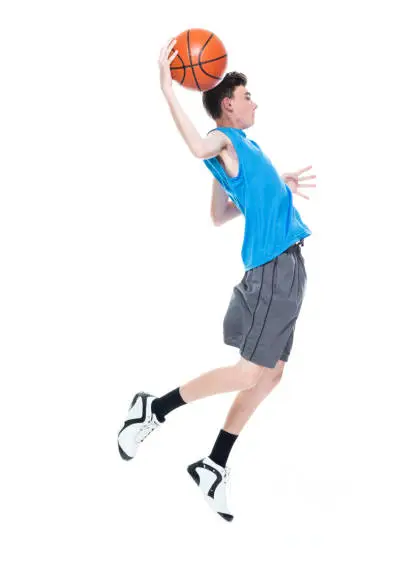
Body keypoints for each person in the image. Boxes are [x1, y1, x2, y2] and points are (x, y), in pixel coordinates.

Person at [117, 38, 317, 522]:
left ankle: (213, 464)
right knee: (251, 371)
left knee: (272, 374)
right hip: (273, 269)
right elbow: (197, 146)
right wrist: (169, 92)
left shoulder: (244, 148)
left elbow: (218, 215)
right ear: (228, 104)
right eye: (248, 96)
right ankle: (154, 410)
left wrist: (274, 187)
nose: (254, 102)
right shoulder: (223, 139)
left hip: (289, 269)